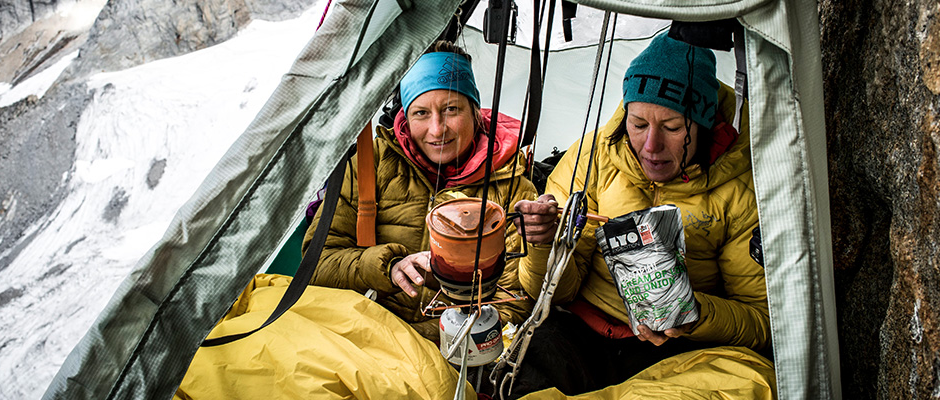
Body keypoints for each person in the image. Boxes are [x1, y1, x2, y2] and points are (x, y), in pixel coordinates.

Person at [507, 33, 770, 396]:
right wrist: (544, 243)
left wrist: (694, 312)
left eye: (673, 127)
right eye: (639, 124)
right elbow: (552, 294)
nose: (651, 146)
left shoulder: (741, 189)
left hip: (679, 349)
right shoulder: (592, 158)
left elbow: (762, 322)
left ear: (704, 125)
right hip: (581, 332)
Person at [303, 41, 537, 342]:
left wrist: (415, 341)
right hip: (361, 331)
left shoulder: (513, 185)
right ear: (404, 115)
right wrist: (386, 267)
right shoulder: (368, 164)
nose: (437, 129)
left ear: (475, 111)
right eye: (421, 113)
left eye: (451, 109)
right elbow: (317, 263)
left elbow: (516, 302)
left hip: (445, 350)